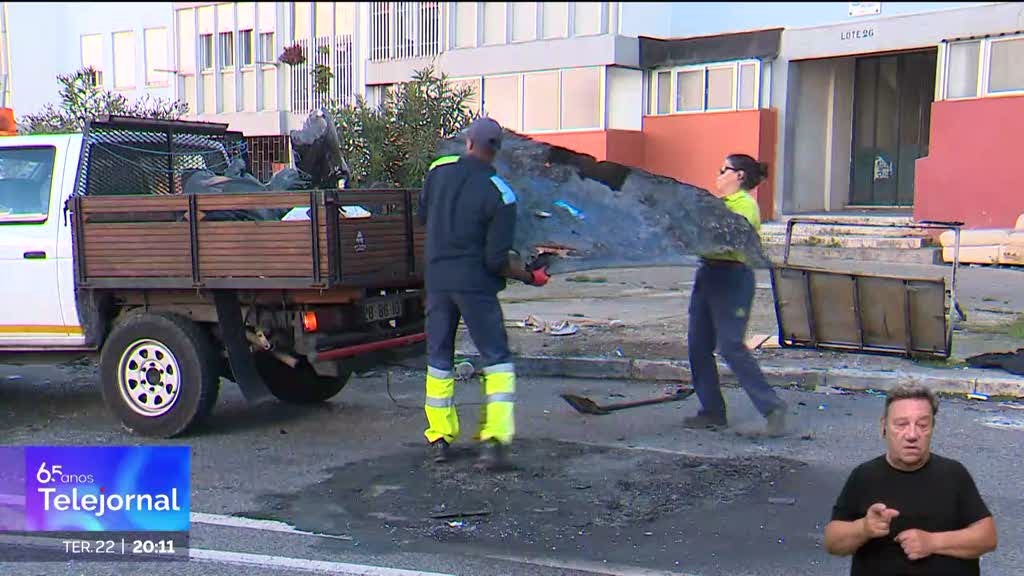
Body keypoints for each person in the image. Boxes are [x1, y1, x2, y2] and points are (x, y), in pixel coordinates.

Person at [417, 117, 550, 470]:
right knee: (497, 359)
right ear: (496, 151)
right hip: (475, 286)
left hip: (438, 281)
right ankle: (495, 442)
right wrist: (529, 276)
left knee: (440, 359)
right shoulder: (500, 193)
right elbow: (495, 261)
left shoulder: (437, 172)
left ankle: (440, 440)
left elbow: (424, 217)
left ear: (468, 143)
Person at [824, 384, 998, 575]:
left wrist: (932, 542)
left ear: (932, 427)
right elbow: (833, 542)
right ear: (884, 426)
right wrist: (863, 528)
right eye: (901, 424)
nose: (912, 435)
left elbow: (987, 538)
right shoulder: (864, 476)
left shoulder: (953, 474)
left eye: (922, 425)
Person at [683, 154, 787, 436]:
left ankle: (773, 407)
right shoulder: (717, 205)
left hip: (732, 277)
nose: (717, 175)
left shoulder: (746, 206)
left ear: (739, 175)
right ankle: (712, 411)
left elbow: (730, 237)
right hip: (707, 274)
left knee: (730, 346)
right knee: (698, 345)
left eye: (722, 170)